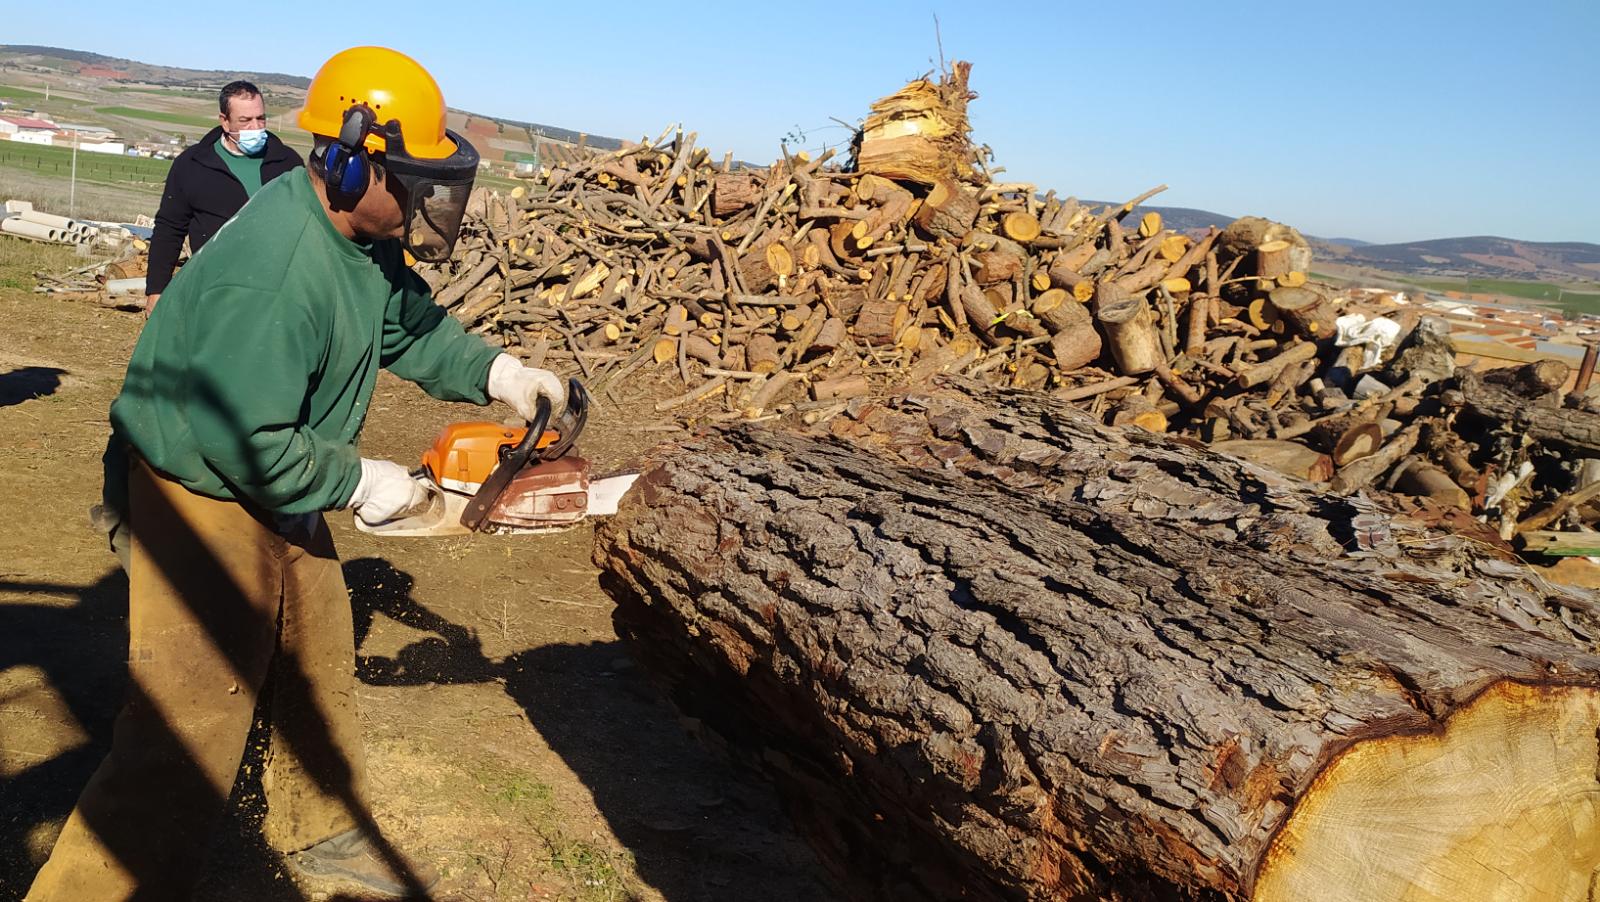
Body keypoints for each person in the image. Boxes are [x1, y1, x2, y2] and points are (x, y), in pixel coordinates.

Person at [26, 46, 564, 901]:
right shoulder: (276, 273)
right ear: (353, 162)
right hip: (194, 479)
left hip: (274, 460)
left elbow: (409, 327)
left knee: (315, 646)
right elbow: (246, 440)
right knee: (192, 713)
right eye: (415, 180)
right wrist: (358, 482)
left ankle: (319, 828)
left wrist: (500, 373)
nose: (429, 201)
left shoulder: (358, 234)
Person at [144, 80, 303, 315]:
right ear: (224, 121)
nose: (256, 127)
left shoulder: (288, 163)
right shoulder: (192, 165)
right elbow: (169, 229)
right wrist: (156, 290)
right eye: (245, 121)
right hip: (211, 292)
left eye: (261, 118)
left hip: (275, 293)